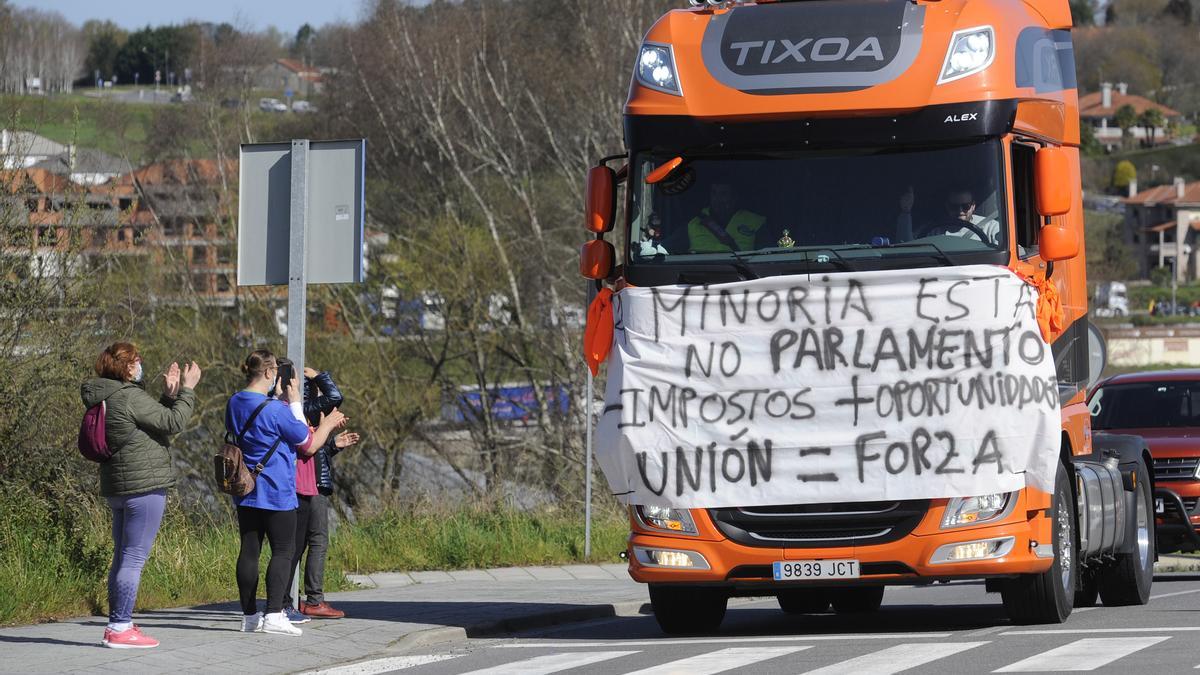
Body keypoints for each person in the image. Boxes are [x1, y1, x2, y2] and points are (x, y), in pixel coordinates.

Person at [81, 343, 201, 649]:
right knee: (133, 558)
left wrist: (169, 396)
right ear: (126, 367)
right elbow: (173, 423)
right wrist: (188, 390)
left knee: (122, 556)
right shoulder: (129, 396)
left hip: (118, 487)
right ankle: (120, 627)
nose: (140, 365)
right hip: (143, 487)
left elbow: (151, 427)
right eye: (136, 361)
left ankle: (117, 623)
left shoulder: (104, 397)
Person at [230, 350, 345, 636]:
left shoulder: (234, 402)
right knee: (283, 551)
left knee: (249, 550)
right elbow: (307, 443)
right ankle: (274, 614)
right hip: (277, 489)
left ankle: (249, 617)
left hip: (246, 489)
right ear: (269, 374)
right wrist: (325, 423)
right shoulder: (276, 410)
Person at [282, 365, 360, 622]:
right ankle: (310, 600)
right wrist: (316, 374)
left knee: (304, 543)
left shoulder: (300, 413)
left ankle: (294, 599)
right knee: (315, 541)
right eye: (313, 388)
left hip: (312, 481)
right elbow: (335, 396)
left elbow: (312, 449)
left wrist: (333, 444)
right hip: (308, 485)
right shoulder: (301, 408)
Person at [896, 184, 1001, 245]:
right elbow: (907, 245)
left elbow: (1013, 252)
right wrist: (906, 212)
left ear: (973, 206)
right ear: (947, 206)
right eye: (954, 207)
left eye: (965, 206)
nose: (960, 211)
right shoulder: (933, 231)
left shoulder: (991, 228)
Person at [686, 182, 766, 253]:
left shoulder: (755, 222)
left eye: (723, 194)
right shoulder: (693, 222)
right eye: (714, 193)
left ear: (734, 197)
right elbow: (674, 254)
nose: (717, 199)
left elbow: (768, 257)